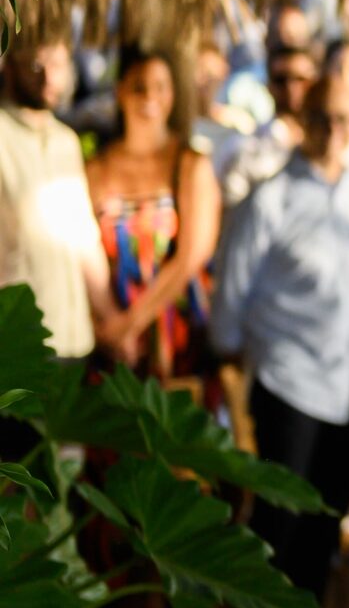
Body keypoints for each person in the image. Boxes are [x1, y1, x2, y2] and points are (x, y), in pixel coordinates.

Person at [211, 75, 349, 608]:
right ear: (304, 121)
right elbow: (231, 283)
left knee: (322, 529)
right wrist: (227, 352)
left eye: (347, 118)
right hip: (288, 382)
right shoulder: (272, 198)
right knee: (276, 525)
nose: (336, 132)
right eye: (324, 119)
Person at [86, 48, 221, 381]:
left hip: (176, 336)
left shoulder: (189, 164)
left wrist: (130, 324)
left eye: (160, 86)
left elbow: (193, 255)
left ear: (172, 95)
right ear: (120, 93)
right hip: (113, 339)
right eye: (138, 86)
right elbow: (81, 252)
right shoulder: (97, 169)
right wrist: (108, 327)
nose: (149, 96)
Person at [0, 36, 115, 359]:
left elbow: (83, 240)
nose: (48, 77)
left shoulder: (66, 142)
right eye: (37, 64)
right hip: (17, 343)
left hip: (74, 338)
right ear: (9, 67)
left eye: (58, 64)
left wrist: (112, 317)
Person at [219, 37, 318, 207]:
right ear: (268, 85)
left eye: (301, 79)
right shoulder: (244, 150)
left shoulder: (338, 146)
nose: (291, 88)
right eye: (281, 80)